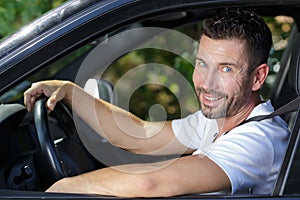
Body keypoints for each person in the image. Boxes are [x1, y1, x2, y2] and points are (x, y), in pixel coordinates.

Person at [24, 9, 290, 197]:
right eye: (202, 64)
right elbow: (138, 134)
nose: (207, 83)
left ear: (258, 77)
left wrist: (63, 190)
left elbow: (149, 183)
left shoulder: (260, 138)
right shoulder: (220, 119)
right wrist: (70, 92)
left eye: (226, 69)